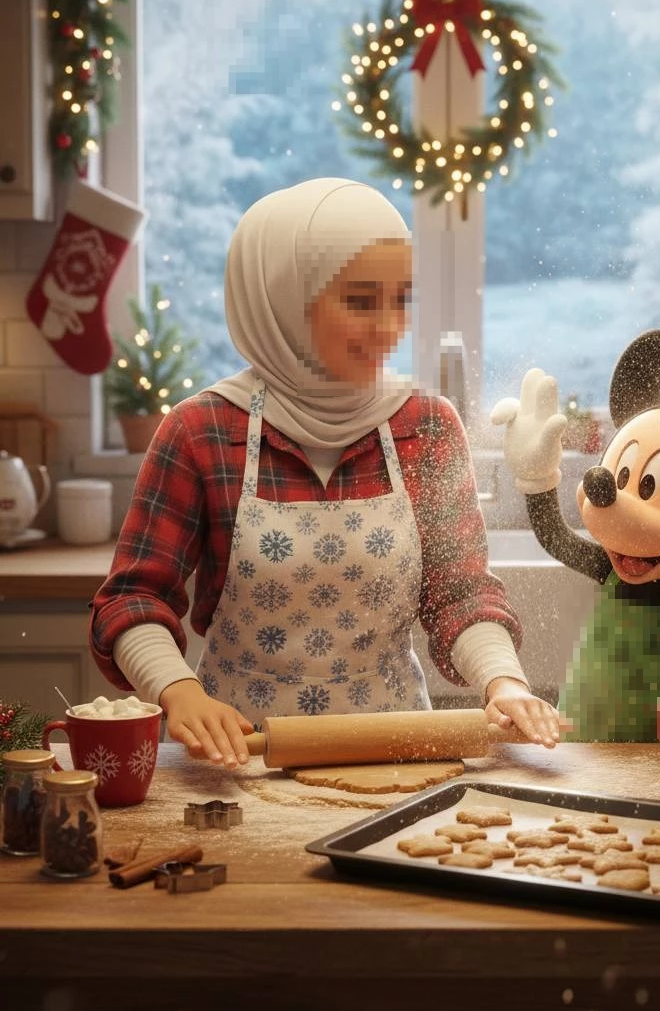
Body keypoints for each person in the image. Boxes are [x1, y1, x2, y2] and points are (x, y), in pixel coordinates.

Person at [90, 179, 560, 768]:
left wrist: (502, 681)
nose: (390, 327)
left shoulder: (426, 427)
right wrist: (178, 691)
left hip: (393, 751)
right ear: (283, 299)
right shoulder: (201, 432)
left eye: (401, 299)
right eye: (361, 301)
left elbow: (457, 595)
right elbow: (132, 600)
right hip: (236, 756)